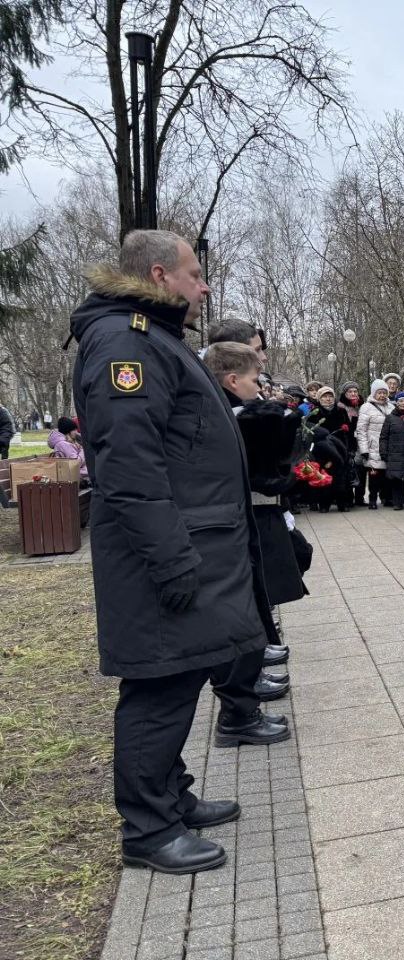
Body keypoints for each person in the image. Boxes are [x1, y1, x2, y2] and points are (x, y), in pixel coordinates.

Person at [70, 228, 276, 874]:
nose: (204, 286)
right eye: (194, 274)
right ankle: (148, 829)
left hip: (187, 544)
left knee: (180, 676)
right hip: (162, 555)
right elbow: (129, 465)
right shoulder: (124, 342)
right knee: (159, 685)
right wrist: (171, 558)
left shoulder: (151, 336)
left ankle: (170, 797)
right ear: (159, 276)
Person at [203, 340, 298, 739]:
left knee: (254, 604)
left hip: (237, 519)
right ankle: (237, 713)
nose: (260, 385)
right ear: (232, 379)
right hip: (228, 523)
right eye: (256, 377)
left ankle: (245, 695)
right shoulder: (225, 414)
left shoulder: (232, 410)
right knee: (239, 613)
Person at [356, 379, 393, 509]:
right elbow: (361, 430)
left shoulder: (391, 407)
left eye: (384, 392)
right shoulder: (366, 407)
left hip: (388, 446)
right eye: (379, 392)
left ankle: (387, 498)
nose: (382, 395)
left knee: (387, 475)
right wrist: (364, 449)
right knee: (374, 476)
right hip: (373, 447)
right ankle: (372, 499)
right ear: (374, 393)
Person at [336, 382, 365, 505]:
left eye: (355, 391)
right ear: (345, 393)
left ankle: (360, 497)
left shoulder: (362, 405)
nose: (353, 394)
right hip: (347, 442)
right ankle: (348, 498)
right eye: (350, 392)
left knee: (361, 470)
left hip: (361, 441)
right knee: (349, 469)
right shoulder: (340, 407)